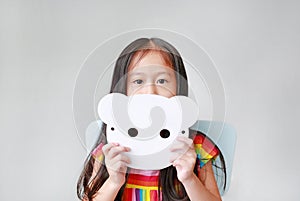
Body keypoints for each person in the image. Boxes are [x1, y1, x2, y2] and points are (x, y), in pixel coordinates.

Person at [77, 38, 226, 201]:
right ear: (123, 90)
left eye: (162, 81)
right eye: (138, 81)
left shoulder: (195, 147)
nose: (151, 91)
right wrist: (113, 181)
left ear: (179, 89)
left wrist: (189, 179)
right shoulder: (110, 149)